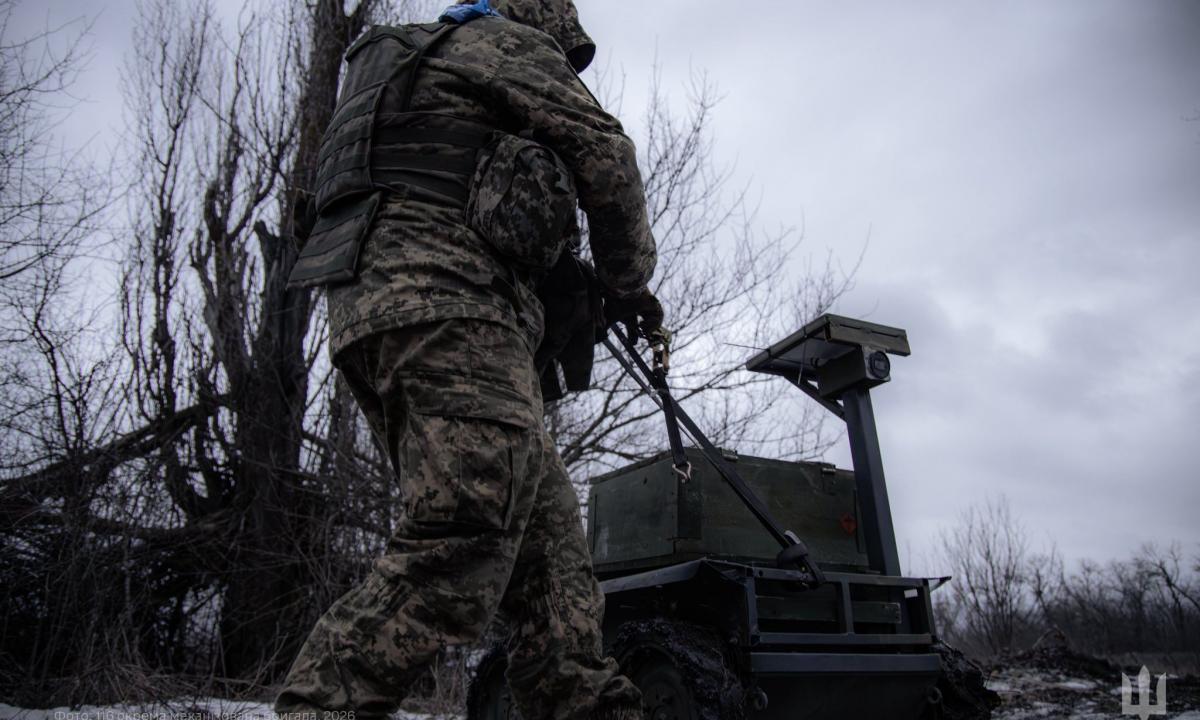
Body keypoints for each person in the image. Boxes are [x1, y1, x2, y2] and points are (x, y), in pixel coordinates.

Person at [274, 0, 662, 718]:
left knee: (550, 568)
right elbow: (606, 156)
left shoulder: (409, 62)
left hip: (380, 314)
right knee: (465, 528)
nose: (565, 65)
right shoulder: (502, 42)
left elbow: (434, 179)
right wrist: (627, 282)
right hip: (449, 308)